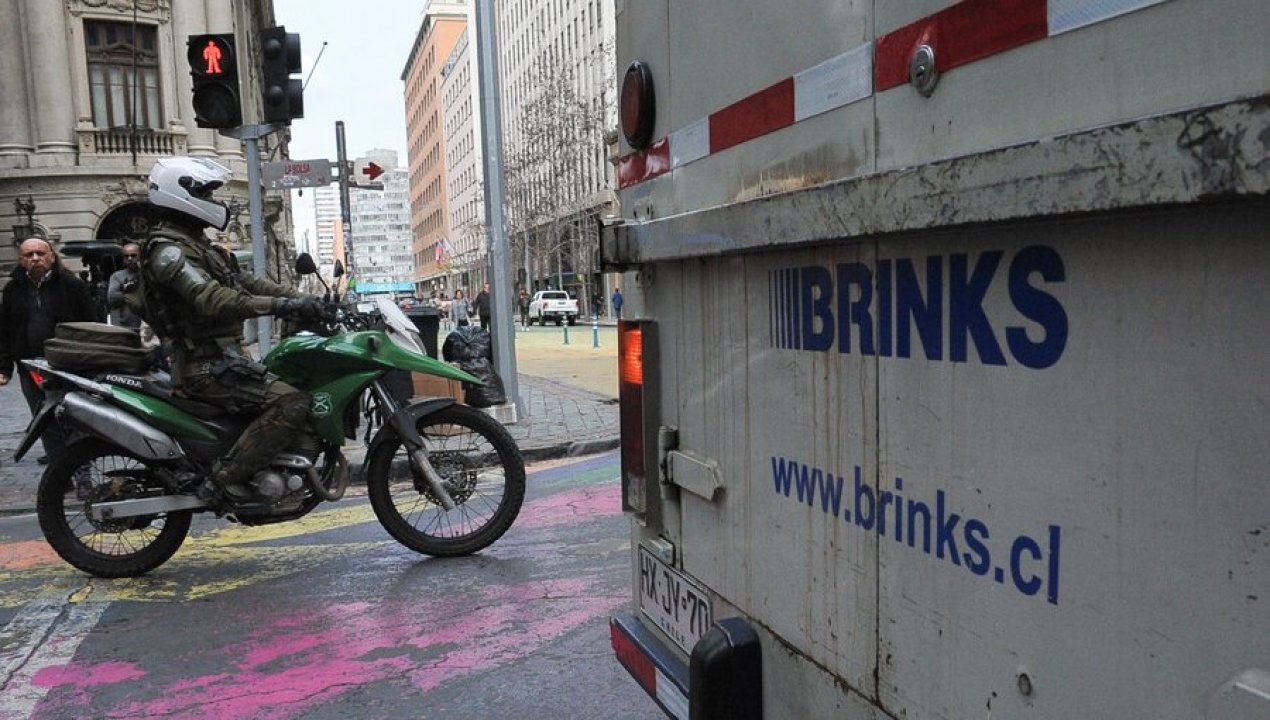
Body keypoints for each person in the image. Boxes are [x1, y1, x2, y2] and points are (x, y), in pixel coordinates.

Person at [138, 156, 323, 501]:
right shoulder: (169, 251)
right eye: (205, 194)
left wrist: (303, 299)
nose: (213, 201)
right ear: (181, 194)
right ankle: (220, 482)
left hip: (225, 360)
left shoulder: (199, 246)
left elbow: (248, 283)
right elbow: (213, 299)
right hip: (203, 368)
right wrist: (281, 307)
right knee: (292, 402)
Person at [0, 238, 95, 464]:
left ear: (51, 256)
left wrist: (90, 361)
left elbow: (91, 323)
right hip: (30, 366)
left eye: (40, 253)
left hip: (67, 364)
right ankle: (59, 473)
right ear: (21, 260)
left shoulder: (72, 286)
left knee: (74, 418)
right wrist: (4, 368)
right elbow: (5, 330)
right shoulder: (13, 289)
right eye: (29, 255)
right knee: (44, 421)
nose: (35, 258)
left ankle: (81, 472)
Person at [106, 242, 144, 329]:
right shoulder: (117, 276)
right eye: (126, 256)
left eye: (133, 255)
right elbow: (112, 298)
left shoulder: (147, 274)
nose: (130, 259)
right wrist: (128, 291)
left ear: (140, 256)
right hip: (126, 325)